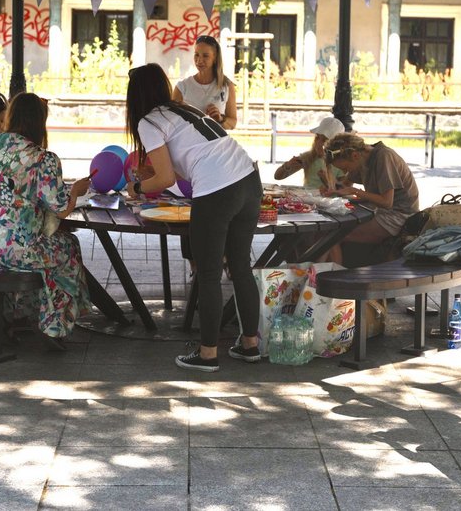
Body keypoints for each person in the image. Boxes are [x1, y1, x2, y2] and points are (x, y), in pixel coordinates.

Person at [126, 63, 261, 372]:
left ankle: (208, 353)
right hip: (249, 180)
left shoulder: (149, 120)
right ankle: (250, 345)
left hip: (218, 190)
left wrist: (136, 187)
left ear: (135, 97)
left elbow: (163, 180)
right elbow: (182, 165)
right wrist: (155, 174)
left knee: (209, 273)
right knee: (240, 267)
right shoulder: (184, 109)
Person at [0, 92, 93, 350]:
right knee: (66, 247)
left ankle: (6, 315)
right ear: (39, 122)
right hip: (9, 248)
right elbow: (61, 209)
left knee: (38, 253)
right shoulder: (43, 158)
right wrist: (76, 190)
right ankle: (53, 324)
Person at [320, 133, 420, 265]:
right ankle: (314, 273)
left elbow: (386, 202)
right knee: (327, 227)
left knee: (332, 236)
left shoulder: (383, 157)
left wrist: (355, 191)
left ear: (355, 156)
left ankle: (327, 278)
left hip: (399, 216)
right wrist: (333, 187)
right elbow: (346, 183)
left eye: (345, 168)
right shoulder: (362, 157)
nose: (345, 172)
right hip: (379, 211)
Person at [172, 34, 238, 130]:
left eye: (205, 56)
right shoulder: (182, 87)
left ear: (215, 57)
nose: (199, 60)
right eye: (196, 55)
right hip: (189, 144)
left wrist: (220, 119)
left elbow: (232, 124)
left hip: (216, 144)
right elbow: (172, 123)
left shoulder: (226, 85)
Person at [273, 116, 346, 189]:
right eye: (317, 138)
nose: (319, 143)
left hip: (332, 200)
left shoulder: (340, 163)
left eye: (325, 140)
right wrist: (287, 165)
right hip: (308, 198)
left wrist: (327, 180)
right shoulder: (309, 157)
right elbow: (277, 176)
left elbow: (344, 190)